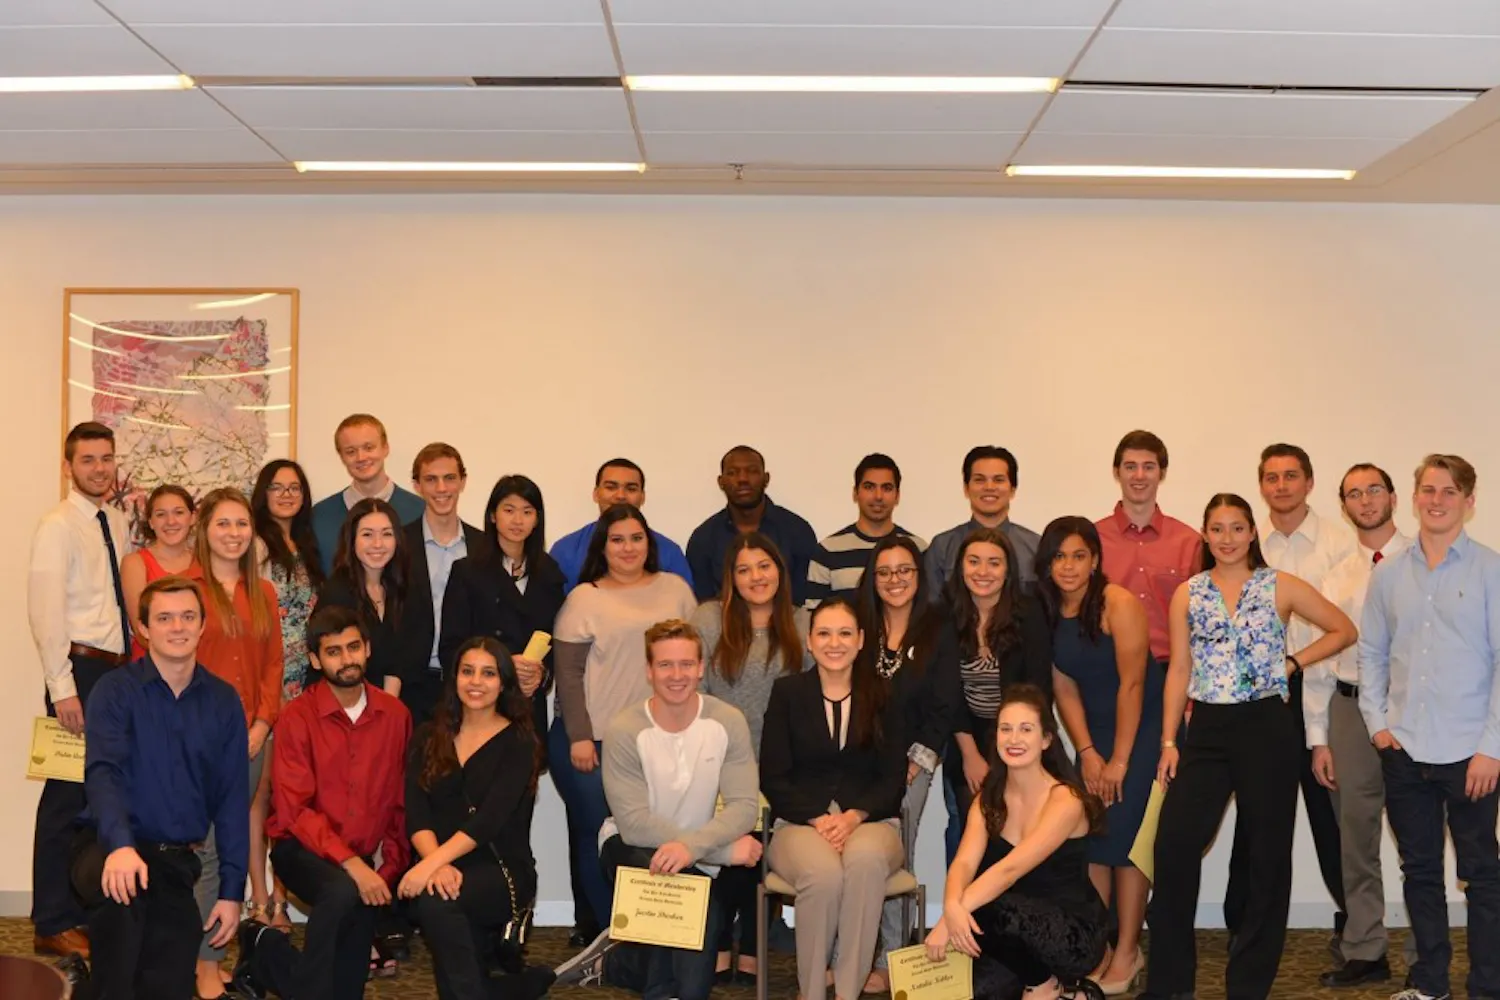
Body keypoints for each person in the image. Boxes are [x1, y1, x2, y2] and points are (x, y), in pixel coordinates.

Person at [1140, 493, 1356, 1000]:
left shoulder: (1278, 584)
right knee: (1172, 846)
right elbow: (1179, 671)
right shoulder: (1188, 593)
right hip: (1208, 730)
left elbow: (1343, 629)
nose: (1228, 538)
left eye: (1237, 528)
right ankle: (1170, 986)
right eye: (1217, 529)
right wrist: (1170, 740)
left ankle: (1249, 985)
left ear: (1252, 533)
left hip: (1267, 727)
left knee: (1266, 856)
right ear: (1205, 534)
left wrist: (1293, 663)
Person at [556, 619, 762, 999]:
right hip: (631, 849)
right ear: (649, 671)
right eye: (665, 665)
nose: (677, 675)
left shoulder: (727, 722)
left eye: (686, 664)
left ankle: (619, 964)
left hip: (698, 855)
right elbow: (634, 824)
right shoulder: (625, 728)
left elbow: (745, 806)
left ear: (701, 668)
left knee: (692, 950)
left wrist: (693, 849)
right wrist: (720, 850)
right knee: (691, 906)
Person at [1359, 454, 1500, 1000]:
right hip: (1406, 751)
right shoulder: (1389, 574)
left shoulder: (1490, 570)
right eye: (1427, 490)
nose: (1436, 500)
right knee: (1419, 874)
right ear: (1414, 498)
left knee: (1482, 876)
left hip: (1473, 754)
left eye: (1449, 491)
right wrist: (1378, 726)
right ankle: (1431, 986)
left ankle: (1488, 987)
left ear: (1468, 500)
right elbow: (1371, 653)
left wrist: (1492, 748)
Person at [72, 576, 249, 1000]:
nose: (177, 627)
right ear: (144, 629)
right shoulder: (114, 691)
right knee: (124, 915)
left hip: (173, 864)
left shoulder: (224, 702)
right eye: (164, 618)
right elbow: (104, 773)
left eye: (188, 616)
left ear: (203, 625)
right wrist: (120, 845)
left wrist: (230, 892)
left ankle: (84, 987)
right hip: (106, 848)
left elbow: (231, 801)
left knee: (168, 979)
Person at [237, 605, 413, 1000]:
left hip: (362, 860)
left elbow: (399, 802)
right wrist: (355, 868)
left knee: (346, 990)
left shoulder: (396, 715)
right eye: (334, 651)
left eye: (354, 647)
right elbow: (295, 809)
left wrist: (388, 870)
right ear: (316, 660)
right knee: (341, 891)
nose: (346, 659)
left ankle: (264, 950)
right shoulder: (297, 716)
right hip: (301, 849)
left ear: (367, 649)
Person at [1225, 444, 1357, 954]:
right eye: (1272, 477)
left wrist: (1299, 669)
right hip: (1258, 697)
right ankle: (1243, 921)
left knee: (1330, 815)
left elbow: (1345, 628)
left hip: (1319, 685)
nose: (1281, 486)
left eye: (1291, 476)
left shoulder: (1338, 543)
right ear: (1262, 485)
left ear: (1309, 482)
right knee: (1256, 813)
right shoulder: (1246, 543)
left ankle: (1356, 921)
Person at [552, 504, 699, 936]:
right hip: (592, 741)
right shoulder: (585, 597)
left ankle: (645, 934)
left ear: (648, 543)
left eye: (636, 538)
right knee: (597, 834)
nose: (628, 548)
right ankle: (603, 931)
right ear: (603, 546)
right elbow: (568, 676)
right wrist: (579, 736)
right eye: (617, 539)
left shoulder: (675, 590)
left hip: (659, 740)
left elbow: (694, 662)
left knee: (651, 836)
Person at [1036, 517, 1161, 996]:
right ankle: (1099, 949)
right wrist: (1086, 752)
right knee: (1091, 840)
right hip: (1096, 735)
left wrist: (1120, 762)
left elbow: (1133, 684)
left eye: (1079, 555)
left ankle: (1128, 950)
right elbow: (1063, 687)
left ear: (1095, 560)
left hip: (1141, 730)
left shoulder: (1117, 603)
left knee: (1126, 840)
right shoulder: (1049, 610)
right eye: (1059, 557)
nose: (1068, 566)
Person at [761, 598, 906, 1000]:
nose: (834, 642)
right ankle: (811, 992)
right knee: (823, 876)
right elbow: (773, 775)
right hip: (800, 822)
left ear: (861, 641)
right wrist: (818, 818)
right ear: (809, 641)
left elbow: (894, 779)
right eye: (823, 633)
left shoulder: (884, 694)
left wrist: (854, 816)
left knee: (863, 863)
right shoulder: (787, 693)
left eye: (845, 633)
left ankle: (846, 992)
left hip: (872, 822)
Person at [925, 684, 1109, 1000]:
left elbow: (1009, 870)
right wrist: (952, 908)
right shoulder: (987, 799)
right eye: (1006, 729)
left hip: (1072, 934)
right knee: (967, 993)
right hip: (1010, 931)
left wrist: (949, 918)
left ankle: (1045, 985)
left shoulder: (1065, 800)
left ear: (1046, 740)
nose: (1014, 739)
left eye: (1026, 729)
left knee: (988, 904)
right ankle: (1070, 994)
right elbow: (964, 863)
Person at [440, 475, 566, 935]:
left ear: (538, 519)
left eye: (527, 511)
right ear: (492, 514)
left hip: (525, 715)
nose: (518, 520)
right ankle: (472, 919)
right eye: (508, 509)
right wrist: (498, 665)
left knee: (517, 822)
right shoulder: (468, 571)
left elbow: (559, 649)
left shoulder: (552, 575)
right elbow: (451, 646)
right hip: (475, 715)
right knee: (474, 816)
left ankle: (514, 922)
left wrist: (541, 674)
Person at [28, 421, 134, 958]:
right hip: (78, 675)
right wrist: (62, 688)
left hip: (116, 674)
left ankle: (84, 909)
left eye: (106, 458)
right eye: (88, 459)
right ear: (69, 465)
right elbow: (46, 613)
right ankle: (50, 920)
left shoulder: (115, 521)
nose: (99, 468)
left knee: (104, 792)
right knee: (64, 798)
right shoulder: (57, 525)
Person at [400, 637, 555, 1000]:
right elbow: (416, 811)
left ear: (503, 682)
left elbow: (489, 821)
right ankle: (507, 989)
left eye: (488, 673)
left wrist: (429, 868)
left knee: (436, 903)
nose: (475, 682)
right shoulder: (427, 735)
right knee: (442, 906)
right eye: (467, 671)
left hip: (501, 867)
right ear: (454, 677)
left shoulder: (519, 740)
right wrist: (433, 865)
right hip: (442, 861)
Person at [690, 532, 811, 983]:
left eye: (764, 566)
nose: (755, 577)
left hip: (784, 764)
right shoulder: (708, 619)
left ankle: (755, 945)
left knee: (761, 855)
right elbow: (693, 687)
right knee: (727, 853)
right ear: (731, 579)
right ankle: (721, 942)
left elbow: (817, 695)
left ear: (779, 570)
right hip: (719, 761)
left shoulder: (802, 623)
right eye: (743, 570)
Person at [1306, 464, 1410, 988]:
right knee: (1356, 835)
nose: (1366, 500)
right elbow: (1322, 663)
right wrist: (1318, 739)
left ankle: (1425, 946)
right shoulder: (1338, 573)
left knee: (1419, 838)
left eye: (1374, 490)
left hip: (1411, 710)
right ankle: (1366, 948)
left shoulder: (1423, 561)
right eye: (1354, 494)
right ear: (1344, 506)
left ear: (1393, 497)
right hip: (1347, 711)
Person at [185, 487, 284, 1000]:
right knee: (206, 852)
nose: (233, 533)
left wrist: (263, 725)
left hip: (250, 741)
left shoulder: (263, 592)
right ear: (205, 530)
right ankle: (203, 965)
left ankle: (206, 957)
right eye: (223, 524)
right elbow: (175, 668)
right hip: (200, 743)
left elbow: (273, 665)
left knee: (230, 849)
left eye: (241, 524)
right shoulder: (187, 591)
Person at [855, 534, 961, 993]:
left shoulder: (939, 626)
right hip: (854, 759)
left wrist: (919, 758)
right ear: (872, 579)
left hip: (911, 763)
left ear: (919, 576)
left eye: (905, 571)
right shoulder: (859, 623)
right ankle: (853, 955)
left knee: (897, 853)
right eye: (885, 572)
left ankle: (893, 957)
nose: (895, 580)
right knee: (855, 855)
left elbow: (946, 700)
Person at [944, 528, 1053, 856]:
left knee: (1018, 834)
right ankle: (963, 905)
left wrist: (1007, 749)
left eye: (994, 563)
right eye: (974, 561)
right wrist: (971, 755)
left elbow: (1037, 689)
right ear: (961, 567)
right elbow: (945, 692)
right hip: (966, 738)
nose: (983, 572)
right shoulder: (946, 616)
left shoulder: (1029, 613)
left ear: (1008, 570)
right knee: (968, 830)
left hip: (1019, 736)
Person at [250, 459, 324, 933]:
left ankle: (283, 897)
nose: (285, 494)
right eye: (276, 487)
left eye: (294, 487)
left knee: (293, 800)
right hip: (270, 680)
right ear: (262, 493)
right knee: (259, 798)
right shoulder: (256, 545)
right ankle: (261, 901)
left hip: (309, 685)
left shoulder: (310, 546)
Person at [1094, 431, 1201, 666]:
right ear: (1116, 472)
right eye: (1130, 467)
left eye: (1149, 467)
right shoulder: (1092, 540)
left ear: (1161, 473)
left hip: (1172, 672)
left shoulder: (1190, 542)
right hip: (1108, 670)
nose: (1139, 476)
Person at [403, 443, 484, 726]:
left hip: (471, 689)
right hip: (412, 688)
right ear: (417, 485)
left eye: (449, 478)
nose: (441, 488)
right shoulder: (398, 545)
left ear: (463, 481)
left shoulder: (484, 547)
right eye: (430, 479)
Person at [687, 445, 818, 605]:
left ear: (766, 478)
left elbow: (804, 598)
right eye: (732, 473)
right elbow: (705, 602)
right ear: (721, 482)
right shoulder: (703, 539)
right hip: (724, 628)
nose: (742, 479)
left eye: (752, 471)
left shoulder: (797, 531)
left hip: (788, 626)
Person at [316, 497, 415, 696]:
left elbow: (402, 658)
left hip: (391, 702)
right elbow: (336, 664)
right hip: (345, 702)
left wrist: (389, 707)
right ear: (352, 541)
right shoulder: (337, 593)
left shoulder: (403, 586)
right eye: (367, 535)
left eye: (387, 534)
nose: (378, 544)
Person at [550, 457, 693, 592]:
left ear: (642, 497)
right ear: (596, 493)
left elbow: (685, 611)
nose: (620, 496)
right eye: (611, 487)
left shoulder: (669, 552)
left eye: (631, 489)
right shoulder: (565, 550)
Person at [805, 453, 927, 609]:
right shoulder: (827, 551)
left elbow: (927, 611)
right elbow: (815, 617)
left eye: (887, 488)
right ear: (855, 493)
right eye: (869, 487)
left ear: (897, 495)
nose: (878, 496)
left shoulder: (919, 549)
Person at [310, 413, 424, 573]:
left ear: (385, 448)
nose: (361, 457)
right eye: (351, 451)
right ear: (341, 457)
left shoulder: (420, 511)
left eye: (369, 448)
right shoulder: (319, 517)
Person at [925, 446, 1043, 597]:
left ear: (1013, 488)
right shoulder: (942, 546)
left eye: (998, 480)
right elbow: (932, 608)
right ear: (966, 488)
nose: (989, 487)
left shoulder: (1034, 546)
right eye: (979, 480)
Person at [120, 484, 196, 657]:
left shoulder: (206, 562)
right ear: (151, 522)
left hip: (200, 666)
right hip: (151, 669)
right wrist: (180, 659)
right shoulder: (135, 563)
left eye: (179, 512)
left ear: (192, 518)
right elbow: (141, 631)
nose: (171, 521)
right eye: (161, 515)